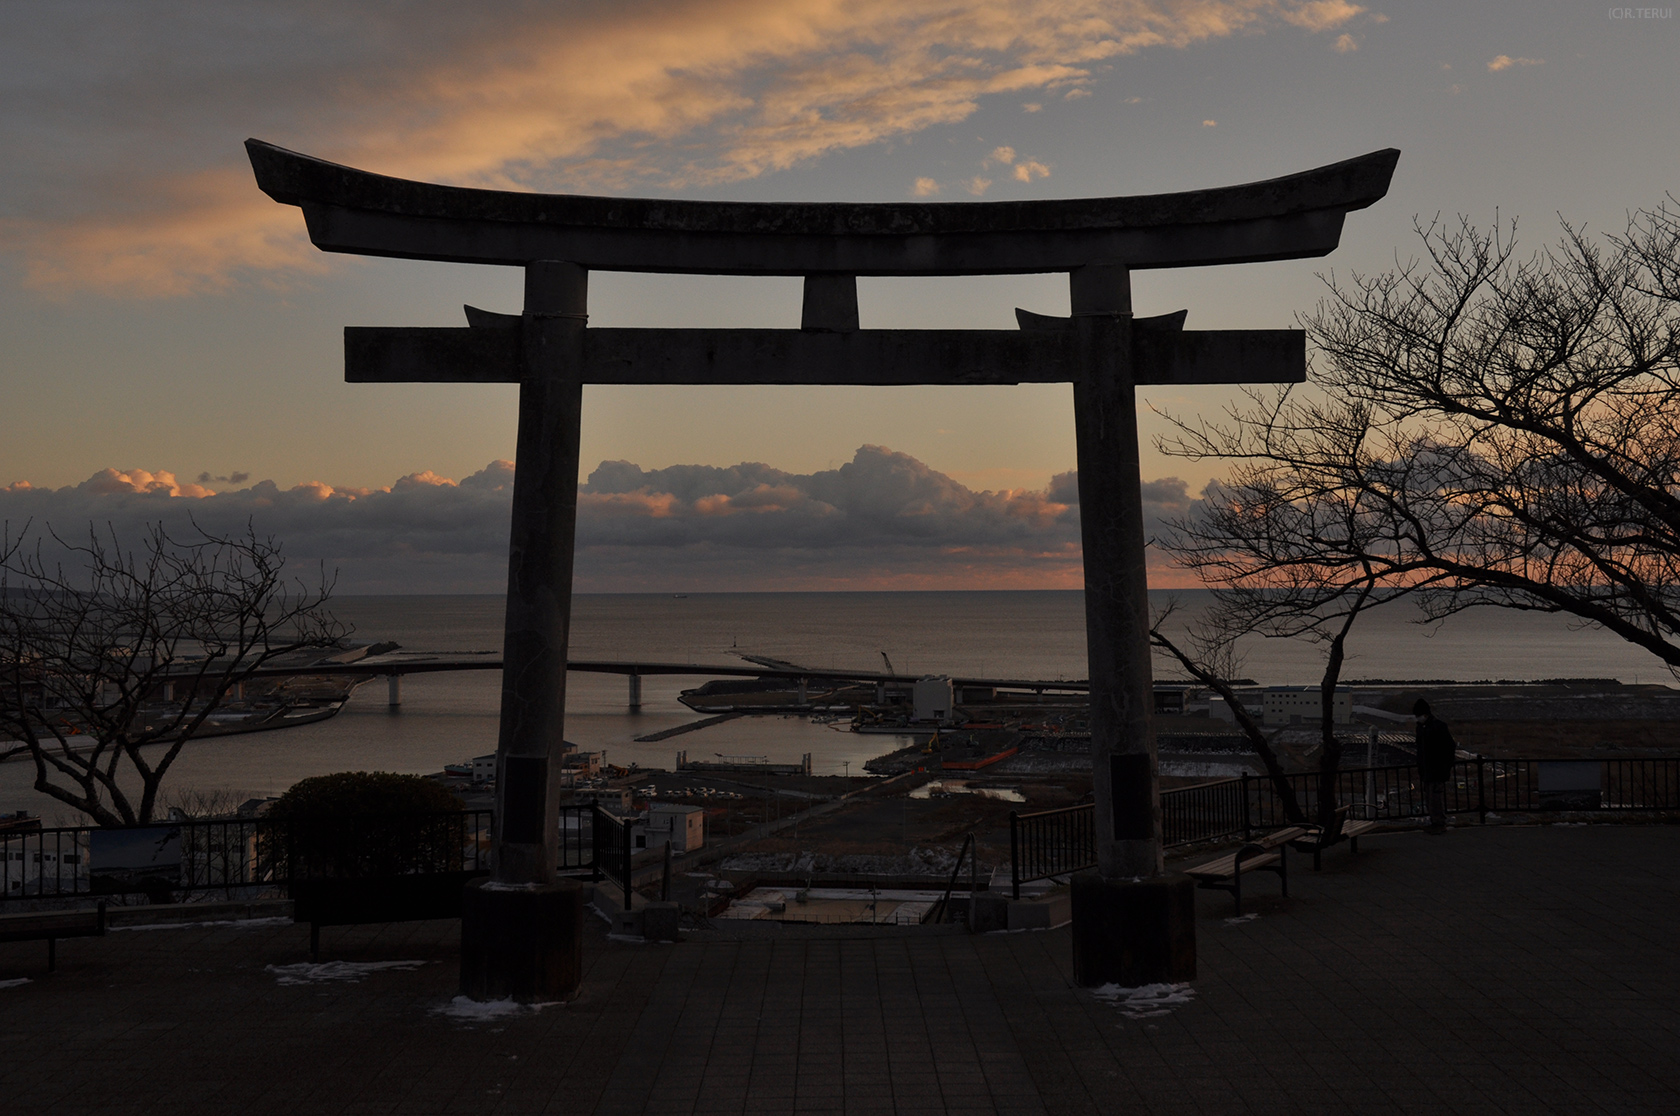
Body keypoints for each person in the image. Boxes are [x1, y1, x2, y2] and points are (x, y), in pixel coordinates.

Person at [1413, 699, 1457, 834]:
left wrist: (1445, 767)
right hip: (1428, 769)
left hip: (1436, 769)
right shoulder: (1424, 727)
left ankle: (1438, 823)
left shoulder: (1437, 727)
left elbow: (1449, 747)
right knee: (1430, 798)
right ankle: (1436, 821)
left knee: (1435, 798)